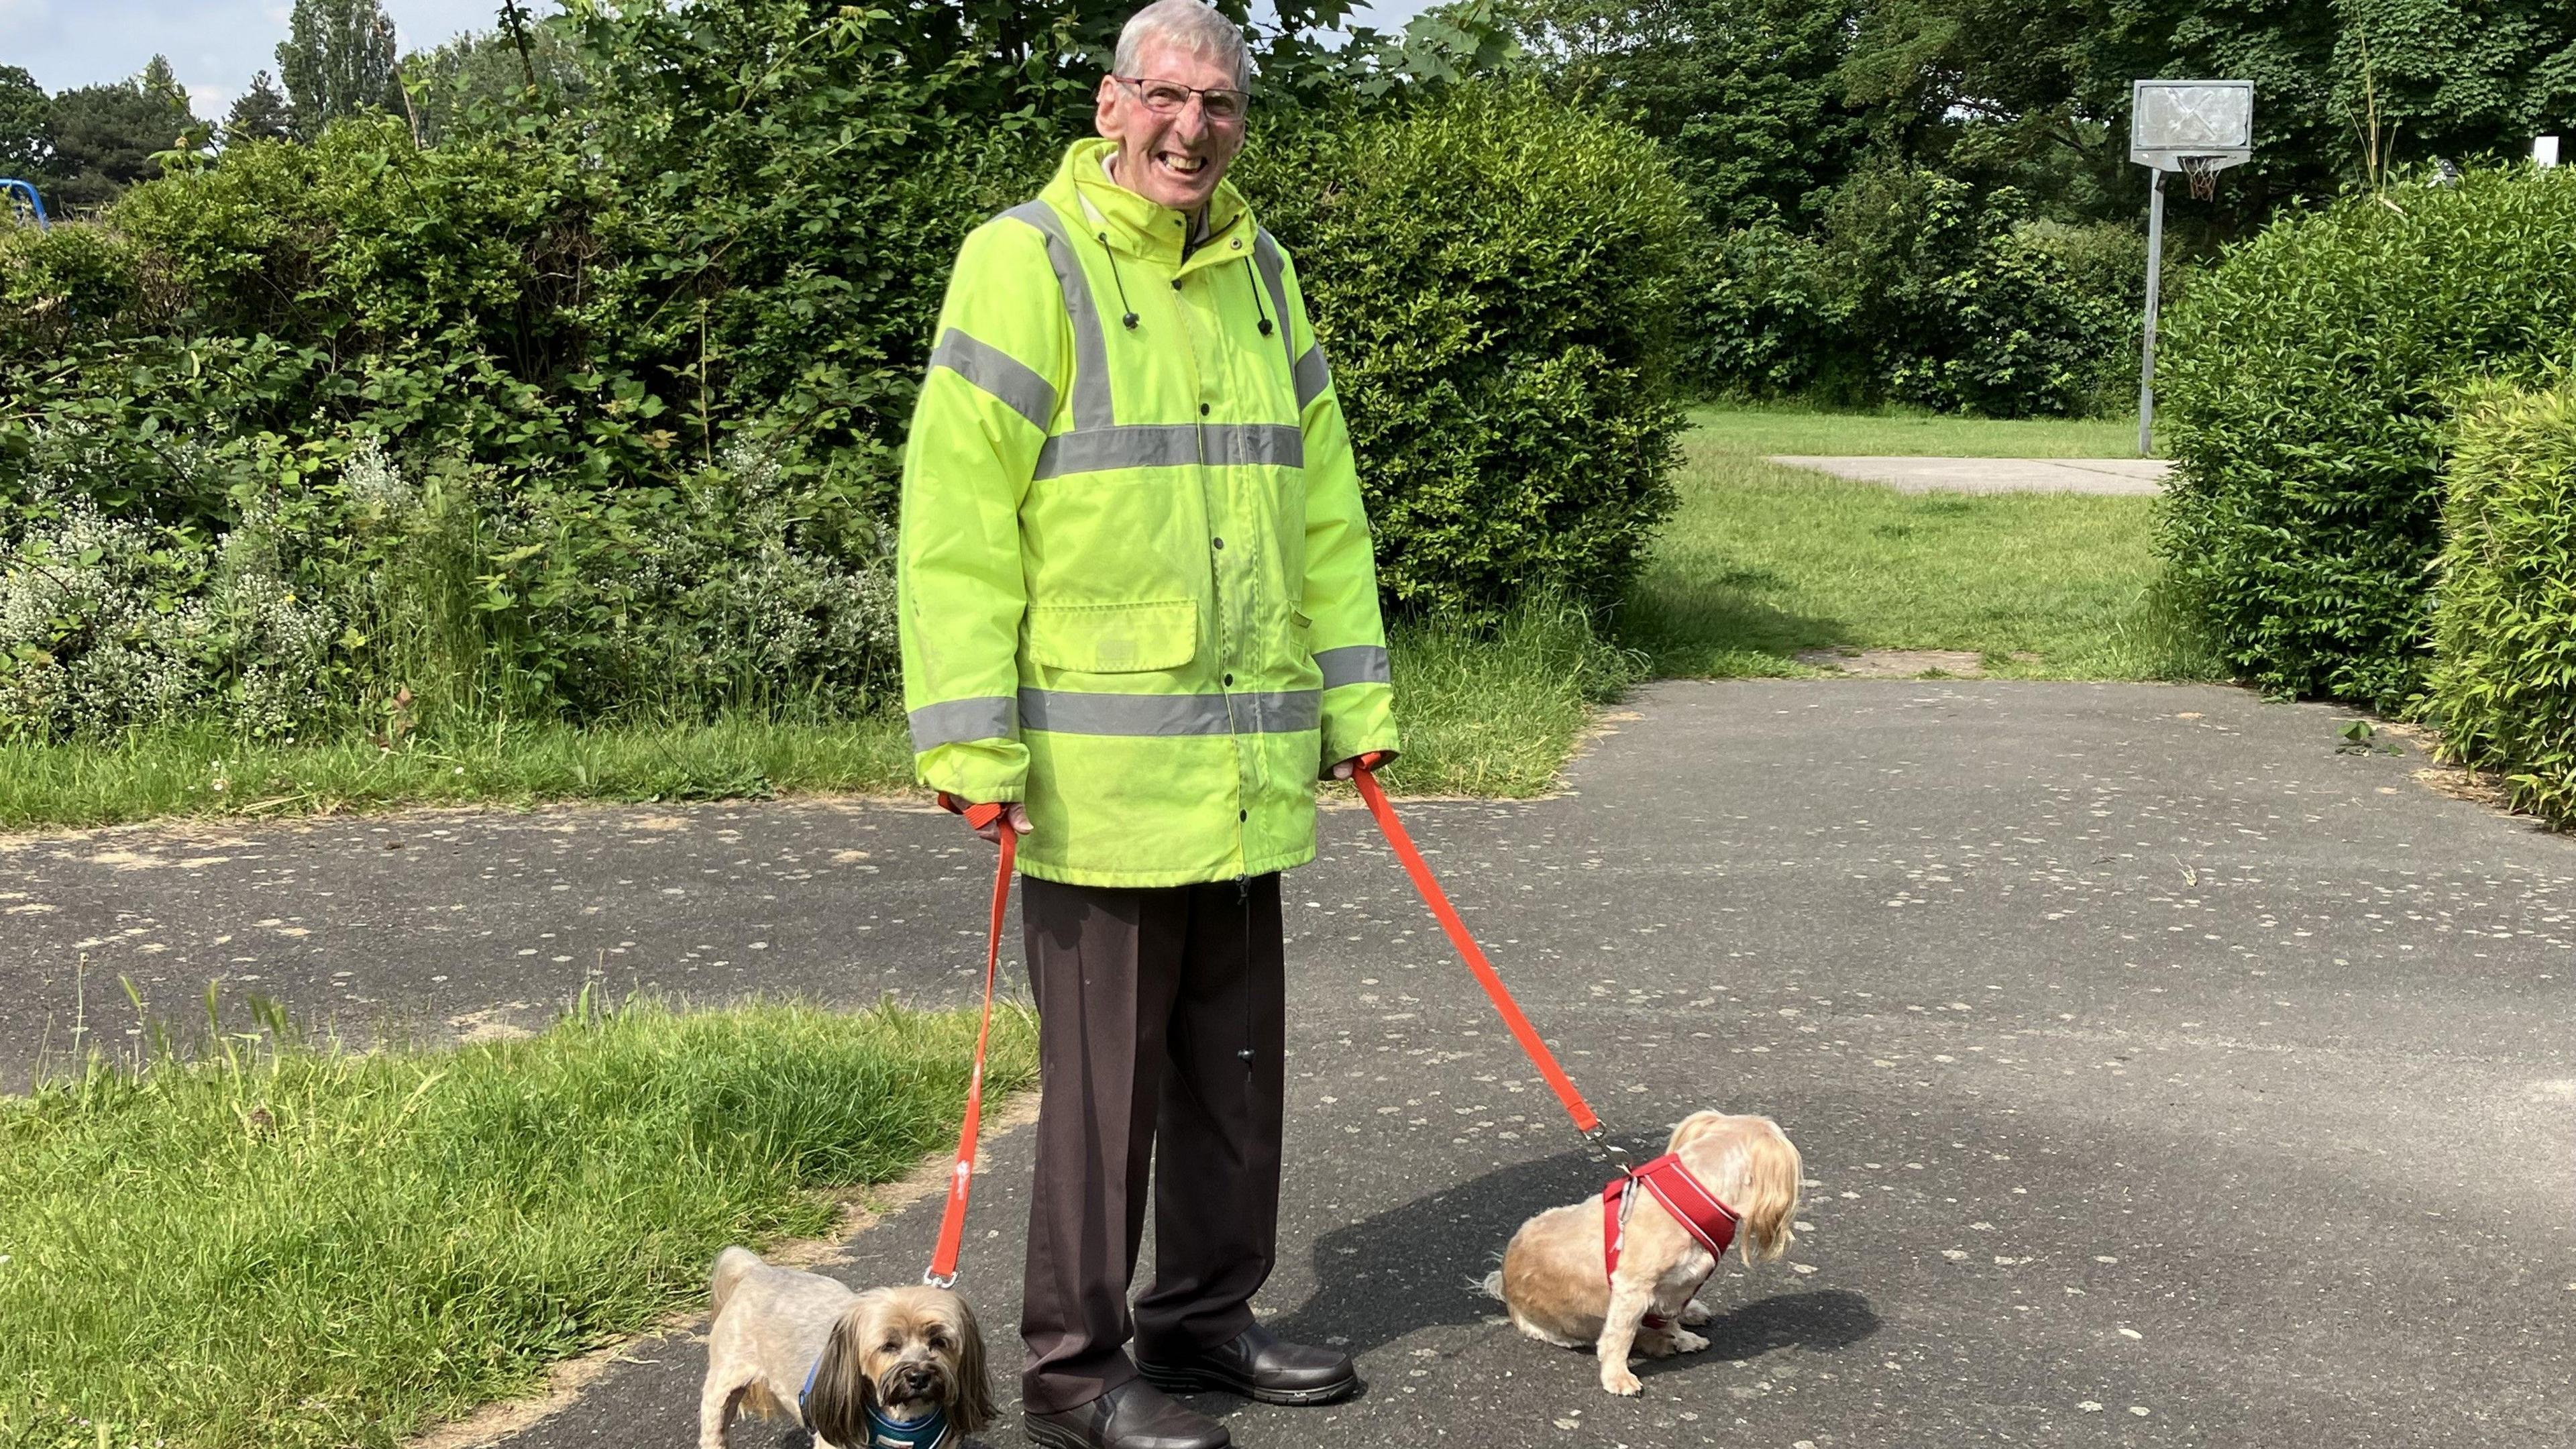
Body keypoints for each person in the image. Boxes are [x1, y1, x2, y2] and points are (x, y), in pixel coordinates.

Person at [894, 2, 1401, 1445]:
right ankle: (1071, 1374)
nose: (1193, 129)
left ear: (1244, 120)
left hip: (1243, 775)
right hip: (1092, 788)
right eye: (1168, 98)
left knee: (1237, 1078)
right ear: (1114, 104)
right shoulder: (1022, 261)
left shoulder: (1264, 271)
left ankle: (1202, 1322)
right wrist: (969, 740)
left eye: (1222, 104)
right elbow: (953, 520)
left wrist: (1353, 704)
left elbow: (1324, 503)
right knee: (1102, 1108)